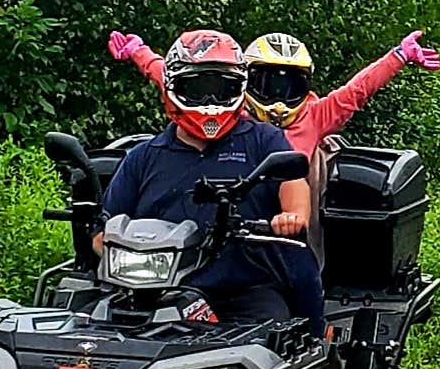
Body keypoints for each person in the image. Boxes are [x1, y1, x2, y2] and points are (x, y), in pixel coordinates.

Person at [109, 26, 440, 264]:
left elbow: (356, 91)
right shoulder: (227, 112)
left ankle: (316, 330)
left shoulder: (314, 116)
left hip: (285, 225)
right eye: (267, 84)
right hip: (220, 216)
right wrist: (140, 52)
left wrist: (398, 56)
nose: (278, 99)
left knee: (302, 275)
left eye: (289, 86)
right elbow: (175, 78)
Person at [95, 30, 324, 333]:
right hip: (153, 291)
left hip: (244, 289)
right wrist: (125, 252)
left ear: (240, 88)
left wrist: (292, 216)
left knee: (282, 331)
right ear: (174, 86)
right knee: (86, 329)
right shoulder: (143, 156)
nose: (210, 101)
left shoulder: (264, 140)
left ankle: (318, 341)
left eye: (221, 89)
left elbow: (293, 183)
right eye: (199, 88)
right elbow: (102, 232)